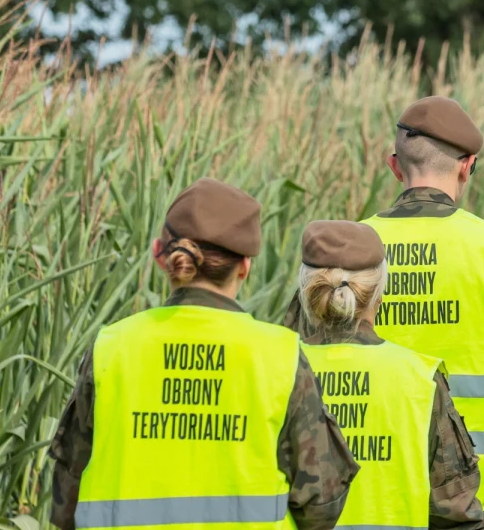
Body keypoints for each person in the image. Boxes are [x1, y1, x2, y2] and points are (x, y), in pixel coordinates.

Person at [49, 178, 358, 530]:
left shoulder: (112, 347)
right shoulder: (278, 355)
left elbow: (66, 491)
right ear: (245, 266)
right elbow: (321, 502)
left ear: (158, 255)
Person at [362, 95, 484, 529]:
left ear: (395, 166)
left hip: (367, 494)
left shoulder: (349, 250)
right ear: (467, 166)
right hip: (474, 498)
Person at [294, 219, 484, 530]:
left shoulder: (278, 369)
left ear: (307, 292)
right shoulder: (420, 378)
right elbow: (455, 511)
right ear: (378, 292)